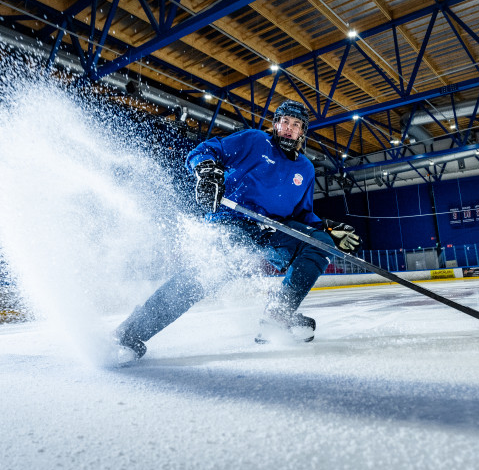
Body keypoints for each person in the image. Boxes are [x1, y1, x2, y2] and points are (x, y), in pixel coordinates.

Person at [115, 100, 361, 360]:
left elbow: (302, 215)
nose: (289, 128)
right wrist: (208, 172)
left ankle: (277, 316)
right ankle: (130, 333)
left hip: (273, 230)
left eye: (296, 125)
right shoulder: (255, 141)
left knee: (319, 242)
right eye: (285, 122)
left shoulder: (306, 169)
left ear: (303, 132)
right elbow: (207, 149)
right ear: (276, 124)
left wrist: (325, 228)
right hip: (234, 221)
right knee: (207, 274)